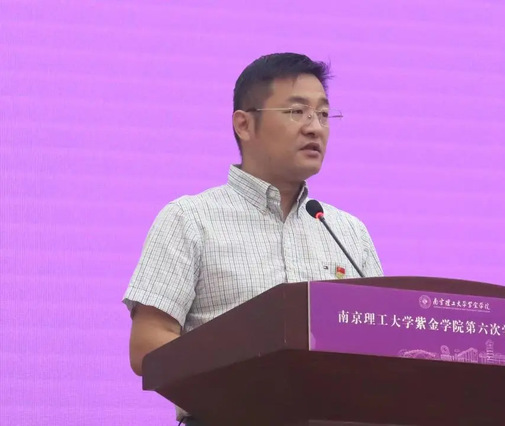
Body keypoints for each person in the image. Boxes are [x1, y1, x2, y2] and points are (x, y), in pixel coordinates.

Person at [122, 52, 384, 425]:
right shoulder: (190, 219)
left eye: (324, 114)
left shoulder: (348, 232)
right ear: (244, 124)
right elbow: (148, 345)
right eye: (297, 112)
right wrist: (251, 373)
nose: (315, 127)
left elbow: (379, 344)